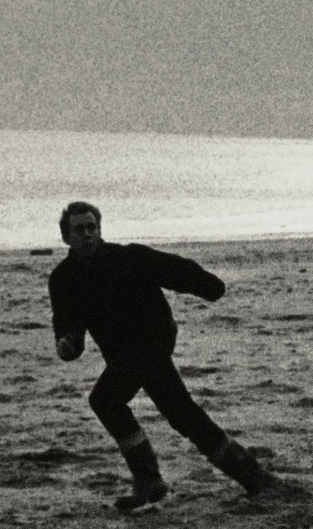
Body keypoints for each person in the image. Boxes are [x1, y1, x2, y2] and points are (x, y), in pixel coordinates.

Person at [48, 201, 285, 512]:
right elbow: (68, 327)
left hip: (154, 340)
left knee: (106, 400)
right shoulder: (63, 279)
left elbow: (176, 269)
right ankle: (252, 476)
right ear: (66, 238)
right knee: (181, 413)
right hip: (122, 355)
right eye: (79, 230)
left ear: (100, 230)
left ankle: (149, 480)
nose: (88, 234)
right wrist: (68, 345)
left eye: (92, 227)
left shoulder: (128, 257)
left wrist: (210, 287)